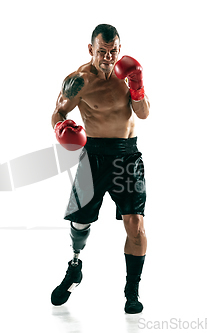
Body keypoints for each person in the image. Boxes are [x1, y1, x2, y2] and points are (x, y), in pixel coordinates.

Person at [50, 24, 150, 314]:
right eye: (102, 51)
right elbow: (58, 111)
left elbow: (143, 113)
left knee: (136, 225)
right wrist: (60, 126)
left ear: (120, 49)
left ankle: (132, 290)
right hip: (93, 154)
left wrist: (137, 87)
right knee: (81, 223)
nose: (108, 56)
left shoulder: (129, 73)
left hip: (126, 155)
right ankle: (75, 265)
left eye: (113, 50)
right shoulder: (78, 81)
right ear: (91, 49)